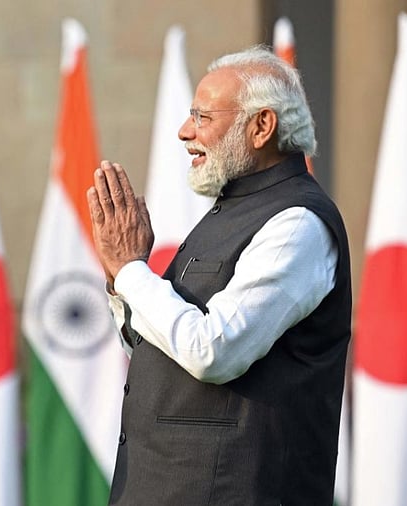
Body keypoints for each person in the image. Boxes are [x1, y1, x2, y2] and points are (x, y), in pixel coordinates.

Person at [88, 46, 351, 505]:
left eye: (203, 117)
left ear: (261, 127)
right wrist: (119, 281)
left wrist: (132, 270)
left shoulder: (298, 224)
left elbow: (212, 351)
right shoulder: (230, 211)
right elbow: (159, 347)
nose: (185, 132)